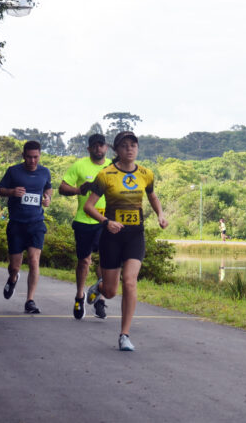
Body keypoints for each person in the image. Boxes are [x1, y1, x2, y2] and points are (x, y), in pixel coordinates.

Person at [84, 131, 168, 351]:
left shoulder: (146, 174)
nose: (130, 149)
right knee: (111, 291)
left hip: (134, 236)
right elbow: (88, 206)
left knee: (130, 282)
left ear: (137, 149)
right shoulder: (106, 174)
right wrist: (106, 222)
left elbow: (152, 195)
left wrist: (160, 214)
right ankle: (100, 286)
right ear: (117, 150)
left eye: (133, 145)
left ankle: (124, 335)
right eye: (124, 146)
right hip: (111, 237)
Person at [58, 133, 112, 320]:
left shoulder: (113, 166)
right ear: (89, 149)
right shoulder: (79, 165)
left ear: (106, 148)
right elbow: (62, 188)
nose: (98, 149)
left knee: (105, 261)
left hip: (106, 221)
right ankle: (80, 296)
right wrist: (79, 189)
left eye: (102, 145)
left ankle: (99, 298)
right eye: (95, 146)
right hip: (83, 220)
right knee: (84, 261)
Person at [0, 141, 53, 314]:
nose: (32, 161)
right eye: (29, 157)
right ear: (23, 156)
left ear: (39, 156)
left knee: (34, 260)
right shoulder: (13, 171)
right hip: (16, 223)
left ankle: (30, 300)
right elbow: (0, 190)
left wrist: (47, 199)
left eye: (35, 157)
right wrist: (12, 192)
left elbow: (49, 188)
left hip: (36, 223)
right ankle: (13, 278)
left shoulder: (45, 172)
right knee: (14, 266)